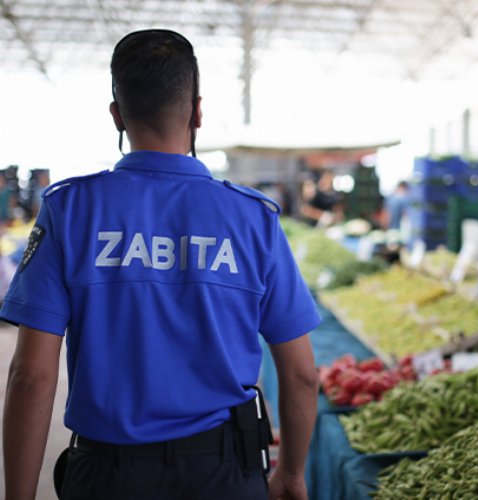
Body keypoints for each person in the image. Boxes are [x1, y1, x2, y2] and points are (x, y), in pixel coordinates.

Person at [1, 29, 321, 500]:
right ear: (196, 111)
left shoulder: (71, 210)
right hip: (224, 475)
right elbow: (301, 374)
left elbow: (30, 376)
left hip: (107, 477)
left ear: (117, 116)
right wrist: (291, 473)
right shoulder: (251, 218)